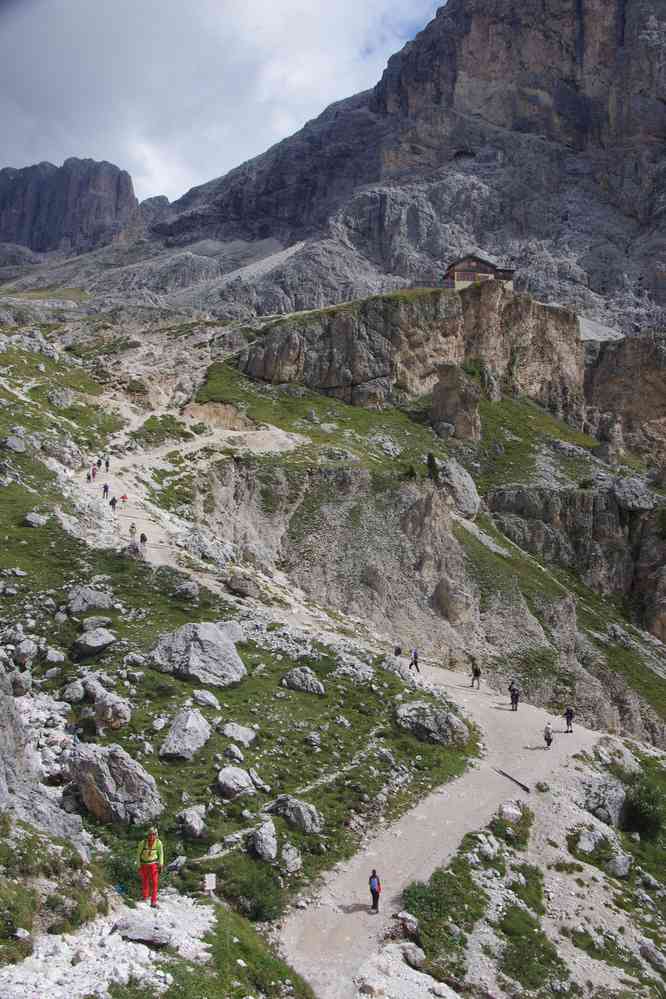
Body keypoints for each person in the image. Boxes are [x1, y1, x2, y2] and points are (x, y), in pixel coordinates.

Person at [136, 827, 164, 908]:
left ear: (156, 835)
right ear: (148, 835)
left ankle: (153, 901)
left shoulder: (159, 843)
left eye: (153, 834)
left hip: (153, 865)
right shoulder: (142, 843)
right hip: (143, 864)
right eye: (150, 834)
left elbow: (161, 854)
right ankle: (145, 897)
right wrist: (139, 866)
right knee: (145, 881)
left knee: (155, 883)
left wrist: (161, 864)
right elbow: (138, 855)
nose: (152, 836)